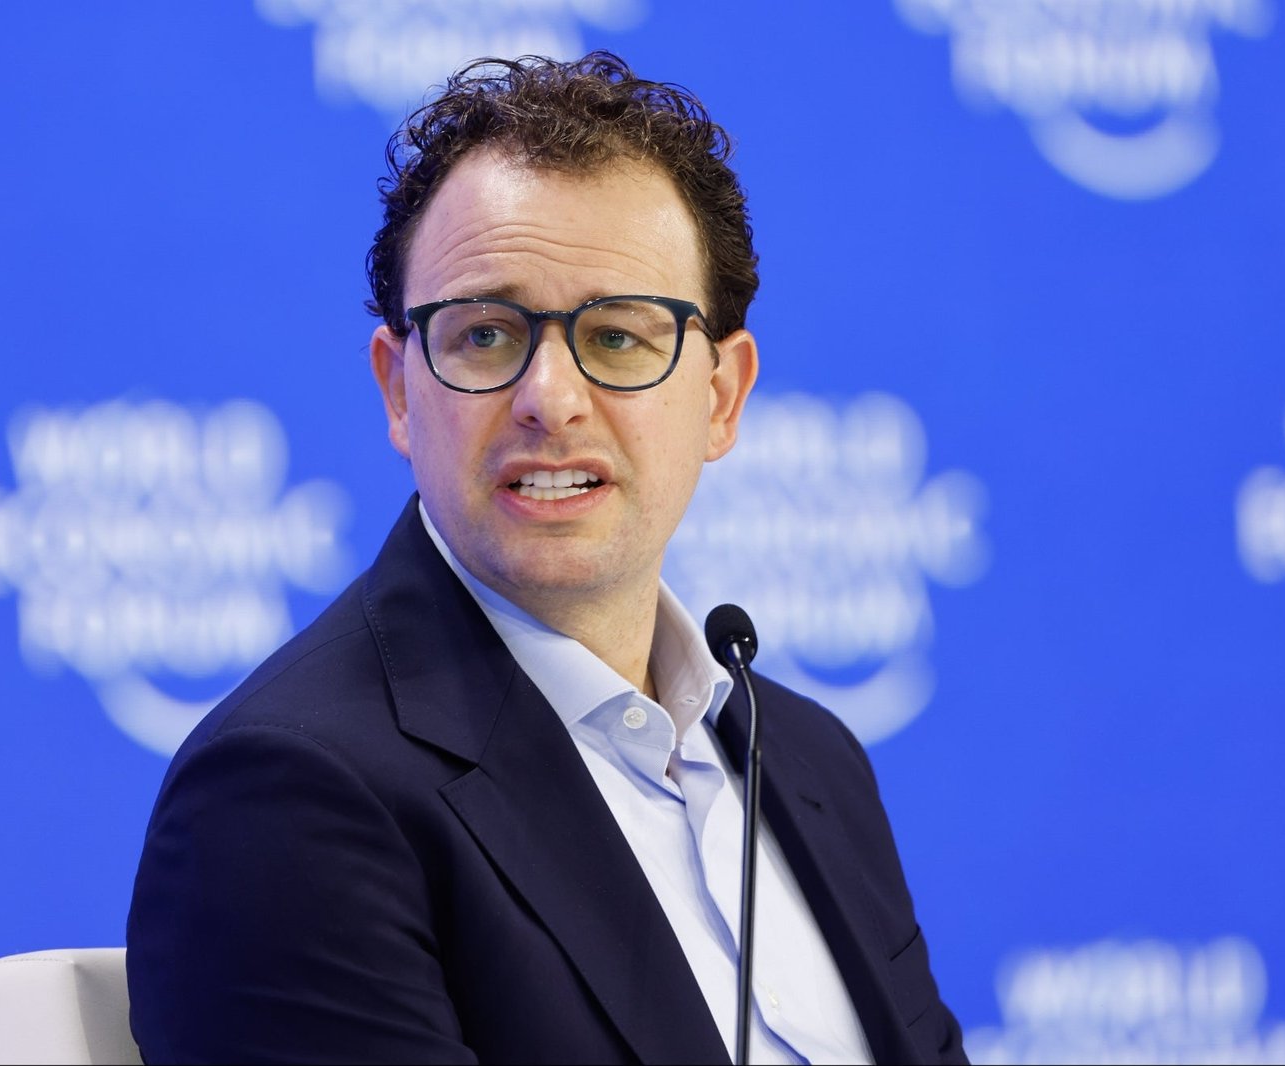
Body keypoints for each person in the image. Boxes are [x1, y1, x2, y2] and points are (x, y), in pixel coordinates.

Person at [126, 51, 966, 1065]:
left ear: (721, 397)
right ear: (399, 391)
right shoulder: (288, 795)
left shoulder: (809, 757)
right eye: (485, 335)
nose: (550, 400)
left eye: (617, 337)